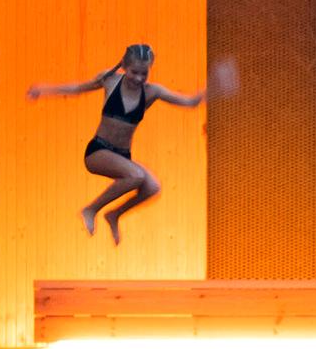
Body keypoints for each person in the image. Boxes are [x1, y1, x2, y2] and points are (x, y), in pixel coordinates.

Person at [26, 42, 228, 242]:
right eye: (134, 72)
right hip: (98, 151)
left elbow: (190, 102)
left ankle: (114, 215)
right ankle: (91, 209)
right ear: (124, 66)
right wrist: (43, 89)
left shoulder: (152, 91)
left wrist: (213, 87)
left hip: (122, 156)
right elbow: (77, 88)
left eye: (144, 73)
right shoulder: (110, 80)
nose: (139, 78)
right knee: (136, 176)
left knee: (152, 187)